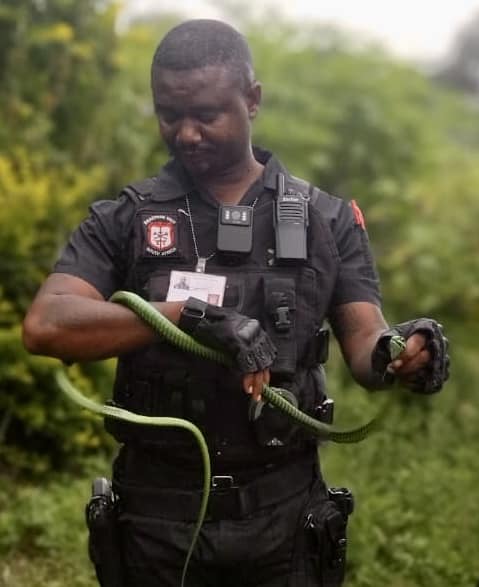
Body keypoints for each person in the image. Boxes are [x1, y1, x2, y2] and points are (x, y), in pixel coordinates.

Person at [22, 18, 449, 587]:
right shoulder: (125, 218)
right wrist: (182, 317)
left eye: (206, 114)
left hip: (287, 519)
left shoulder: (326, 220)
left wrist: (407, 351)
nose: (186, 134)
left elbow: (368, 348)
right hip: (157, 521)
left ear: (252, 101)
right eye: (169, 115)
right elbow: (47, 325)